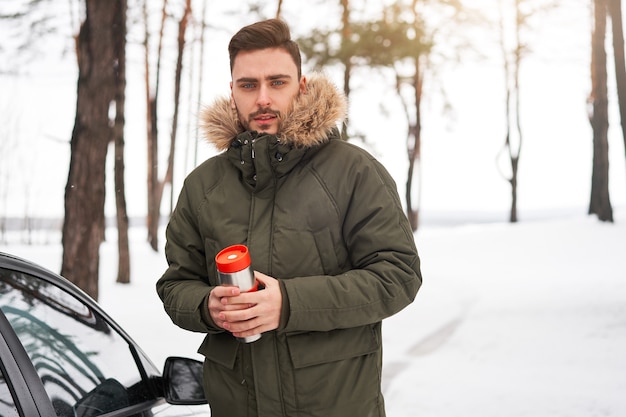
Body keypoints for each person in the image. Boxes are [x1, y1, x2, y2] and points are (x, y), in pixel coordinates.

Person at [156, 18, 422, 417]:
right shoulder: (202, 186)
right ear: (232, 92)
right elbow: (176, 284)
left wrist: (290, 303)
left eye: (277, 82)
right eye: (248, 85)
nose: (263, 98)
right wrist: (206, 306)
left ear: (300, 86)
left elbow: (398, 275)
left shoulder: (353, 172)